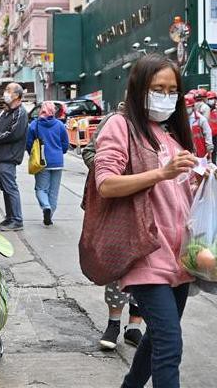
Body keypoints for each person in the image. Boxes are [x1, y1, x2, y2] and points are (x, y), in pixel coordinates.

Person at [93, 54, 198, 387]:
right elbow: (106, 184)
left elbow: (177, 191)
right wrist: (162, 172)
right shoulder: (120, 126)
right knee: (170, 344)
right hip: (144, 252)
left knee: (157, 338)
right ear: (139, 88)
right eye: (158, 88)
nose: (166, 96)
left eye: (172, 89)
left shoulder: (169, 134)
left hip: (179, 255)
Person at [81, 101, 145, 350]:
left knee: (144, 266)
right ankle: (114, 323)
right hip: (116, 205)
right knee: (117, 263)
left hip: (147, 207)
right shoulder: (113, 121)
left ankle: (134, 327)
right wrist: (111, 167)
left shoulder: (157, 126)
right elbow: (88, 153)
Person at [0, 82, 28, 232]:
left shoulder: (20, 113)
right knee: (6, 188)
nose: (5, 93)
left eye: (8, 90)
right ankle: (10, 218)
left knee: (10, 188)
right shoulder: (5, 112)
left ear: (17, 95)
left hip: (8, 157)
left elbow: (14, 134)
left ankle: (17, 220)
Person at [26, 101, 69, 226]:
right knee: (54, 191)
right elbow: (65, 144)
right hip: (57, 161)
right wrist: (60, 152)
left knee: (41, 189)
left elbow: (29, 144)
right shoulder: (60, 125)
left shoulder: (34, 125)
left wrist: (33, 155)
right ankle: (49, 215)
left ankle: (46, 207)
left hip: (42, 161)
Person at [186, 94, 213, 159]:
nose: (187, 109)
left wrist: (209, 146)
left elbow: (208, 133)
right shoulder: (181, 119)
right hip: (186, 148)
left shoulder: (201, 119)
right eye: (185, 108)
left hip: (200, 148)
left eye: (188, 107)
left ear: (193, 107)